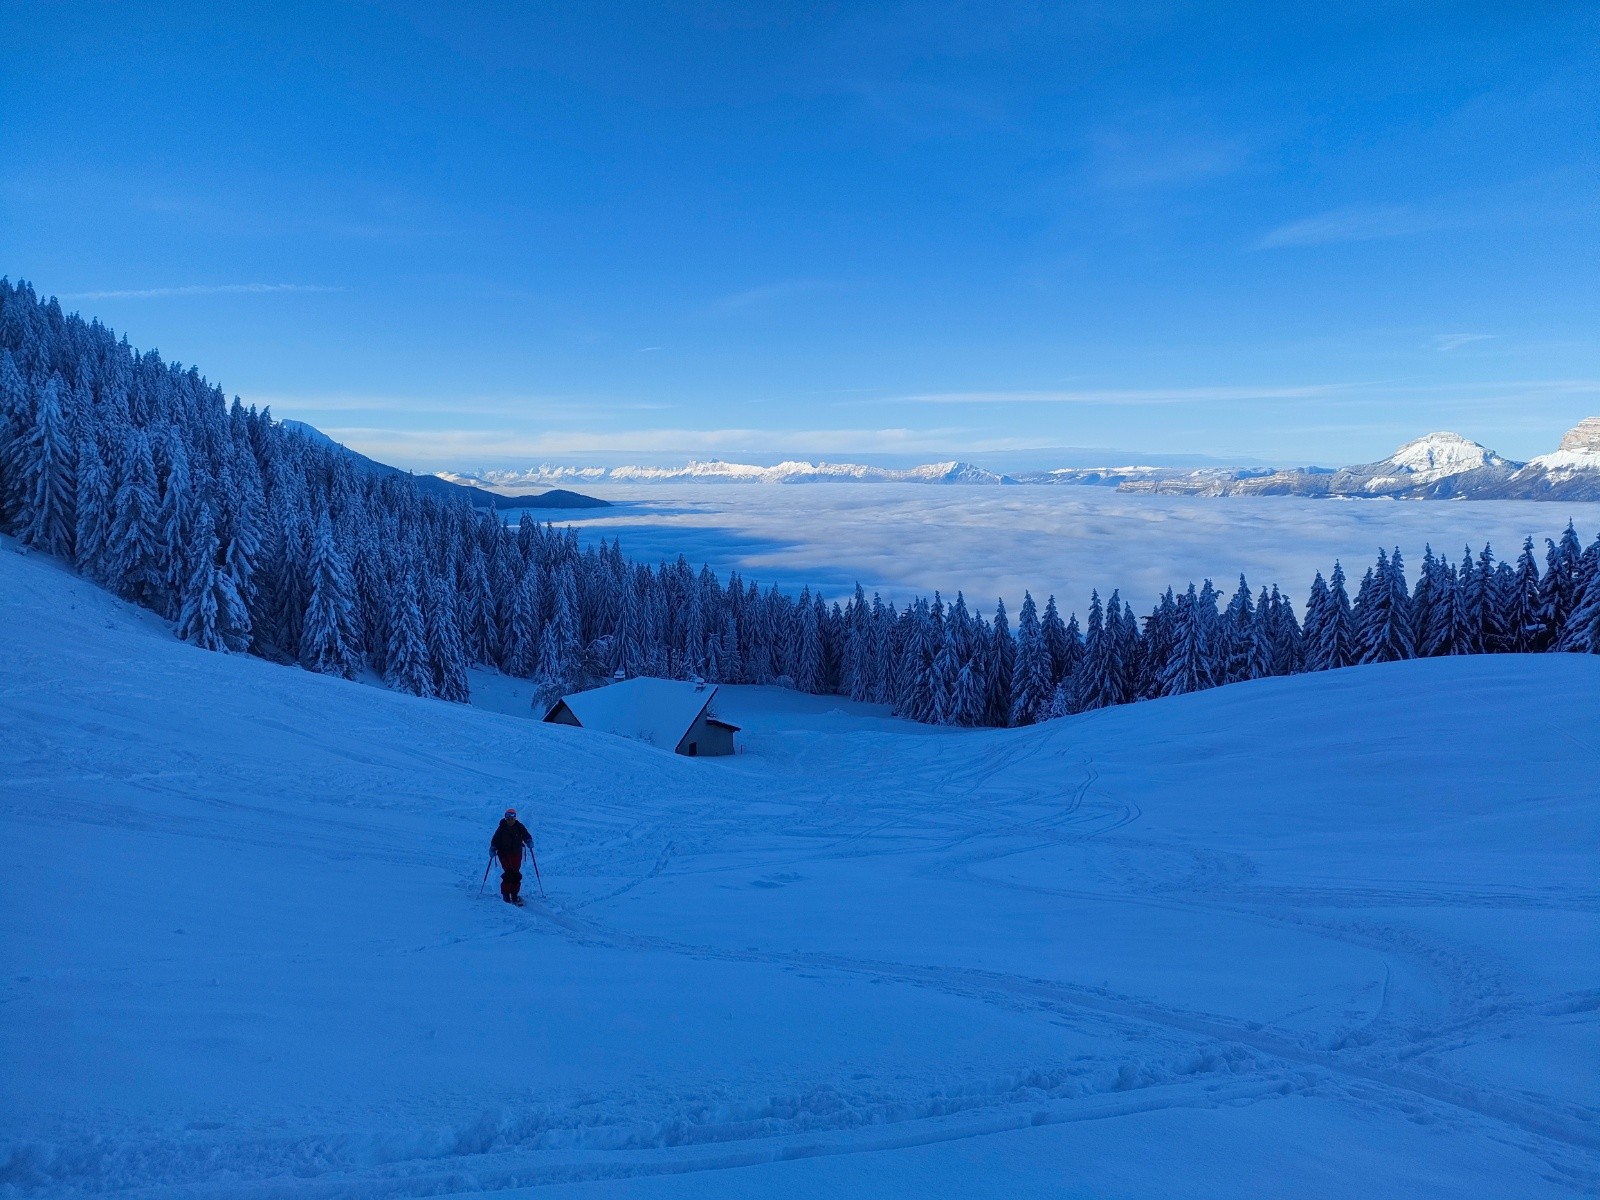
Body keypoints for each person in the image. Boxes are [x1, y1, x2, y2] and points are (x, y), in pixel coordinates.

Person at [490, 808, 534, 905]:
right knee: (509, 873)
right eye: (508, 817)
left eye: (512, 817)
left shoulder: (519, 826)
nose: (510, 820)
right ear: (505, 818)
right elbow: (495, 840)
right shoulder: (501, 828)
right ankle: (506, 894)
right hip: (504, 854)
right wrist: (493, 848)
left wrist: (529, 841)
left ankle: (514, 894)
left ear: (515, 818)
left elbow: (526, 835)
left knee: (516, 874)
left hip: (516, 853)